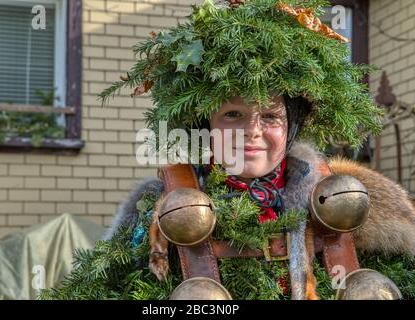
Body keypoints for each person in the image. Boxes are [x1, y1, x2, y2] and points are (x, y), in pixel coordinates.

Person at [41, 0, 415, 300]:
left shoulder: (350, 201)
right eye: (233, 114)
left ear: (292, 126)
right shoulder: (157, 208)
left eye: (271, 115)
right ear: (205, 124)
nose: (253, 131)